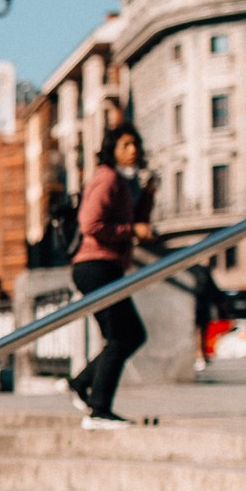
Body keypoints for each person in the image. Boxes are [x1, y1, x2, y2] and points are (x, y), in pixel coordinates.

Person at [68, 126, 155, 427]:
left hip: (105, 267)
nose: (134, 150)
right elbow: (90, 222)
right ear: (112, 149)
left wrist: (148, 196)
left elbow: (140, 222)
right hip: (95, 266)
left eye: (136, 144)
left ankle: (82, 384)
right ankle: (98, 409)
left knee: (129, 335)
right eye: (126, 144)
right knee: (122, 336)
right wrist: (130, 231)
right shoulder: (107, 178)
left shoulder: (124, 182)